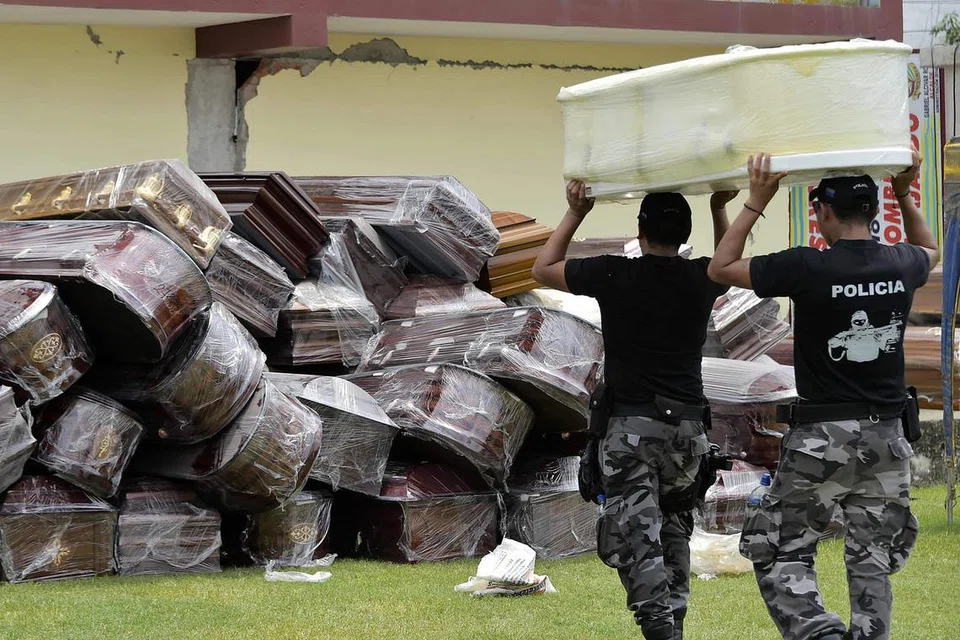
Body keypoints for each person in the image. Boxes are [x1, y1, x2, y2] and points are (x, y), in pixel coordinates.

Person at [707, 150, 938, 640]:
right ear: (873, 211)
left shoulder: (807, 266)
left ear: (823, 211)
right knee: (872, 559)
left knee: (778, 547)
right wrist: (904, 191)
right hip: (888, 440)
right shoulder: (903, 262)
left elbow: (721, 268)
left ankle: (820, 634)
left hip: (821, 441)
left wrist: (755, 201)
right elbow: (931, 249)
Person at [531, 181, 734, 640]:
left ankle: (660, 629)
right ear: (685, 234)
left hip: (631, 433)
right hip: (687, 433)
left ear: (639, 232)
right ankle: (673, 623)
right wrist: (721, 208)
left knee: (636, 537)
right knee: (675, 529)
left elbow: (543, 270)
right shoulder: (702, 277)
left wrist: (576, 211)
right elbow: (730, 264)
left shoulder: (614, 274)